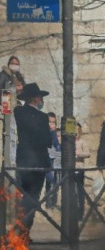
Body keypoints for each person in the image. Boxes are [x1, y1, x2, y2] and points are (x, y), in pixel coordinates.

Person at [14, 83, 52, 234]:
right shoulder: (42, 117)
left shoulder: (19, 112)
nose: (42, 100)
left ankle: (22, 231)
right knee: (33, 196)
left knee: (26, 195)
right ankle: (23, 230)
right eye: (40, 97)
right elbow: (47, 141)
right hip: (38, 161)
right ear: (36, 99)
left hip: (24, 160)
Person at [44, 112, 61, 209]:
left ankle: (51, 204)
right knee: (50, 180)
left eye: (53, 122)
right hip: (45, 160)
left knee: (54, 182)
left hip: (53, 160)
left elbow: (57, 147)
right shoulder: (44, 133)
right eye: (49, 122)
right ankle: (48, 204)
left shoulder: (53, 133)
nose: (51, 125)